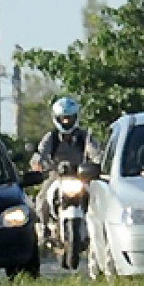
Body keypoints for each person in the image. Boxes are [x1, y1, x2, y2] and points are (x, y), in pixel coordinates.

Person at [31, 97, 100, 226]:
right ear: (57, 118)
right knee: (41, 200)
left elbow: (95, 152)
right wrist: (37, 162)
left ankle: (97, 228)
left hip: (81, 175)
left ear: (76, 118)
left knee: (98, 198)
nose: (66, 121)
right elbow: (40, 152)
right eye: (63, 118)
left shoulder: (84, 137)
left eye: (70, 118)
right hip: (56, 175)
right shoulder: (51, 137)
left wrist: (97, 164)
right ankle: (44, 230)